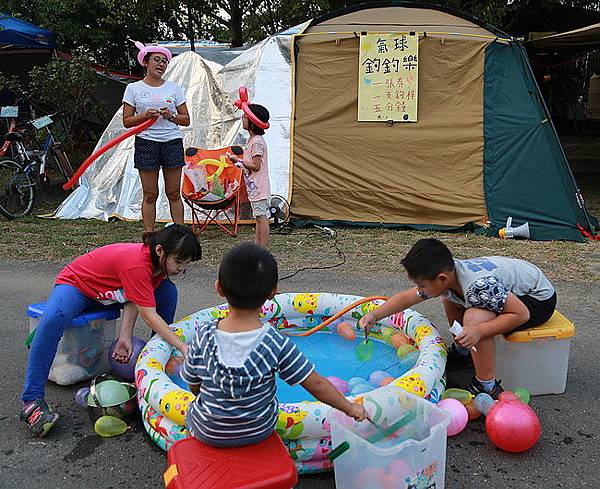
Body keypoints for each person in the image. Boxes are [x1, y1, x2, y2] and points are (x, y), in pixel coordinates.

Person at [20, 225, 201, 437]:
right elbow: (148, 314)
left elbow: (134, 296)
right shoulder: (137, 262)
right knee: (53, 319)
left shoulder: (157, 265)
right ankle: (31, 401)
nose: (181, 268)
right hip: (79, 287)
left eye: (186, 264)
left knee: (168, 292)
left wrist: (124, 336)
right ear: (160, 250)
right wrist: (182, 345)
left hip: (112, 295)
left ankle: (157, 366)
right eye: (179, 262)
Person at [181, 242, 366, 447]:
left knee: (193, 411)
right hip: (258, 430)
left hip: (208, 432)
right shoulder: (274, 342)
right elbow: (316, 384)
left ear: (219, 288)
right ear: (273, 293)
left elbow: (193, 383)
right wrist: (350, 408)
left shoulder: (203, 334)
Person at [359, 238, 556, 399]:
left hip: (537, 300)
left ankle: (487, 385)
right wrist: (375, 315)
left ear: (441, 278)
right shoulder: (448, 278)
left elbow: (521, 314)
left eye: (422, 286)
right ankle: (463, 352)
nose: (419, 290)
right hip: (510, 294)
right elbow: (407, 298)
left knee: (475, 318)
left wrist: (479, 331)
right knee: (449, 297)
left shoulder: (478, 286)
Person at [122, 41, 190, 236]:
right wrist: (145, 116)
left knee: (174, 193)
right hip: (146, 142)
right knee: (150, 194)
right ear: (146, 62)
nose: (161, 64)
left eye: (164, 61)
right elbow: (127, 121)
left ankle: (180, 233)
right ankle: (149, 235)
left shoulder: (174, 88)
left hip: (171, 141)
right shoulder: (134, 89)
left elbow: (186, 119)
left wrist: (172, 116)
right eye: (156, 60)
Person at [226, 104, 271, 248]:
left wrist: (238, 161)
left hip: (259, 187)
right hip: (254, 187)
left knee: (261, 217)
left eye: (245, 117)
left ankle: (262, 247)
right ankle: (258, 245)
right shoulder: (251, 140)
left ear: (252, 121)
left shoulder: (257, 142)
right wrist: (238, 163)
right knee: (258, 217)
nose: (242, 119)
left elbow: (256, 166)